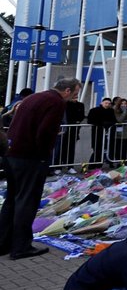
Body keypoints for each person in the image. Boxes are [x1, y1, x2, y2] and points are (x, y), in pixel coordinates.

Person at [0, 77, 82, 259]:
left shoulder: (34, 97)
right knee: (26, 201)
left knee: (12, 199)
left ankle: (3, 242)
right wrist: (44, 155)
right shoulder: (56, 102)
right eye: (75, 93)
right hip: (30, 157)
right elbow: (44, 132)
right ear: (67, 91)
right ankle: (21, 246)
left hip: (12, 153)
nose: (75, 97)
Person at [86, 97, 117, 166]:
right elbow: (90, 120)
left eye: (109, 103)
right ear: (102, 103)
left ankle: (100, 163)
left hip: (107, 132)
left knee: (105, 148)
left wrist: (108, 124)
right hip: (97, 132)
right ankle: (92, 164)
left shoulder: (111, 111)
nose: (107, 105)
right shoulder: (94, 110)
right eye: (106, 103)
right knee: (97, 148)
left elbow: (114, 120)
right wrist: (102, 123)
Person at [57, 94, 86, 167]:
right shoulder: (65, 104)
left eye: (76, 97)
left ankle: (70, 165)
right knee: (61, 147)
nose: (75, 98)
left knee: (71, 147)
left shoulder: (80, 105)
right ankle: (59, 166)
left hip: (74, 129)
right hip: (65, 128)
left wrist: (77, 121)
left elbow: (81, 116)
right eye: (73, 96)